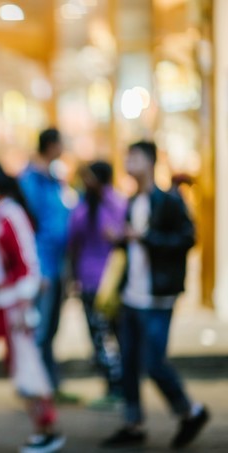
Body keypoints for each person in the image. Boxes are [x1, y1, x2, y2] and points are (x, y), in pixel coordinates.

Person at [101, 141, 209, 449]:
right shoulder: (134, 201)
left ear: (149, 162)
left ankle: (191, 411)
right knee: (129, 362)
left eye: (133, 156)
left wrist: (144, 237)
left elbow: (188, 239)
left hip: (158, 298)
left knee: (154, 362)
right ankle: (133, 424)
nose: (127, 161)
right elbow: (133, 247)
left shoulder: (169, 201)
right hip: (131, 296)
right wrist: (121, 239)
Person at [0, 159, 65, 453]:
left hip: (12, 306)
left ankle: (47, 429)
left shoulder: (11, 213)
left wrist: (24, 303)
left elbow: (29, 264)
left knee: (25, 369)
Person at [18, 128, 74, 401]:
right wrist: (37, 269)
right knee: (40, 329)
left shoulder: (53, 178)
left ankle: (49, 385)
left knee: (51, 328)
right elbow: (30, 225)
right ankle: (38, 389)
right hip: (44, 266)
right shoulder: (30, 180)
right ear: (52, 145)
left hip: (58, 263)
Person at [68, 161, 126, 409]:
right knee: (112, 337)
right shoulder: (118, 203)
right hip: (110, 282)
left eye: (89, 177)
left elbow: (72, 242)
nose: (85, 182)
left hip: (98, 284)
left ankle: (116, 390)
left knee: (102, 338)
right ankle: (119, 388)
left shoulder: (89, 207)